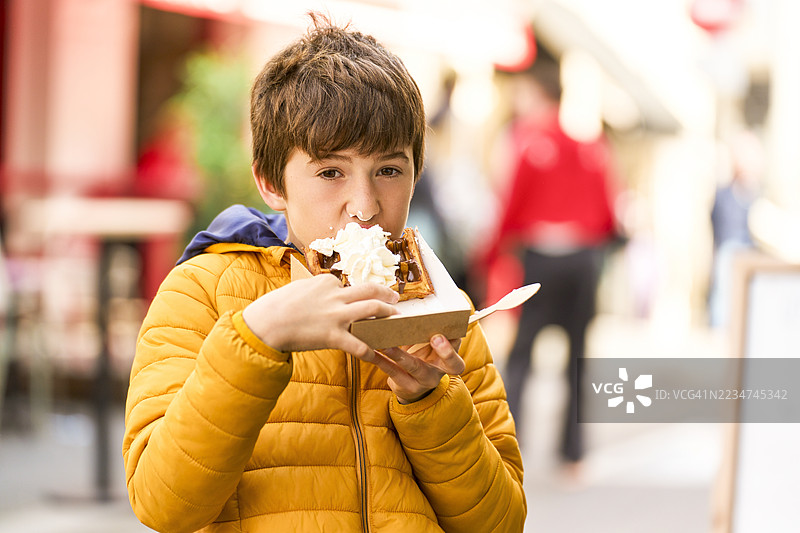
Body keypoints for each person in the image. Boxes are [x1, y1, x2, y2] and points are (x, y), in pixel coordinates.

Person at [122, 15, 525, 533]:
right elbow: (163, 505)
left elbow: (502, 523)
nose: (364, 206)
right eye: (330, 172)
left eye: (389, 170)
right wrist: (255, 341)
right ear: (271, 182)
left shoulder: (442, 311)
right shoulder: (203, 290)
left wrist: (431, 403)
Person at [484, 51, 618, 469]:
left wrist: (491, 253)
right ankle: (573, 454)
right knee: (577, 358)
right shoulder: (592, 147)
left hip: (541, 256)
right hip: (582, 258)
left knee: (522, 354)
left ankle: (508, 443)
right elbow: (610, 213)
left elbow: (511, 206)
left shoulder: (528, 142)